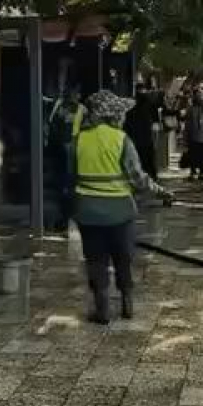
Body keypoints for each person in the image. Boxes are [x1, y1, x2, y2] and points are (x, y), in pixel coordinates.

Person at [73, 90, 171, 323]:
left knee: (95, 259)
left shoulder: (79, 139)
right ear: (112, 115)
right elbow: (137, 177)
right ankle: (127, 302)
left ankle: (102, 308)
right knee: (122, 257)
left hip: (87, 212)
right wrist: (160, 191)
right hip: (120, 212)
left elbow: (69, 174)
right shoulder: (120, 139)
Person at [46, 83, 85, 230]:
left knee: (69, 187)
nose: (77, 96)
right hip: (62, 150)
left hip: (73, 150)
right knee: (64, 187)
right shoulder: (59, 107)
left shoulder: (80, 109)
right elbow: (52, 126)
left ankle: (67, 217)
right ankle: (65, 217)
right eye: (75, 93)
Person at [127, 84, 162, 178]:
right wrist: (155, 140)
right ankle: (152, 178)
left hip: (137, 141)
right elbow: (156, 126)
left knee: (140, 162)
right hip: (148, 140)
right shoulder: (151, 108)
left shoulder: (130, 113)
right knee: (150, 161)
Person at [184, 85, 203, 180]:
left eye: (200, 95)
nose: (199, 97)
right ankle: (192, 172)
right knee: (193, 155)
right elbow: (187, 122)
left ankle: (201, 172)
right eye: (197, 95)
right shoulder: (191, 108)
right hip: (193, 135)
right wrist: (186, 135)